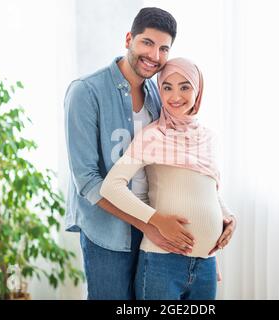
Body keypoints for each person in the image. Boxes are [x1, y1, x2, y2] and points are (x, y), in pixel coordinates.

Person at [64, 7, 186, 300]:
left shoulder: (160, 94)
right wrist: (150, 223)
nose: (154, 56)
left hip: (154, 224)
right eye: (147, 43)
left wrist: (220, 213)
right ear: (129, 38)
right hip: (109, 231)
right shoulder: (85, 92)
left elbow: (180, 155)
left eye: (163, 49)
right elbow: (87, 181)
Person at [100, 57, 237, 300]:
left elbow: (209, 191)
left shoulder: (207, 138)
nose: (176, 96)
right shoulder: (151, 136)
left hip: (206, 263)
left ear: (198, 90)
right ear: (159, 90)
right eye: (167, 87)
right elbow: (111, 187)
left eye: (185, 87)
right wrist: (156, 220)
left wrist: (228, 217)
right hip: (161, 262)